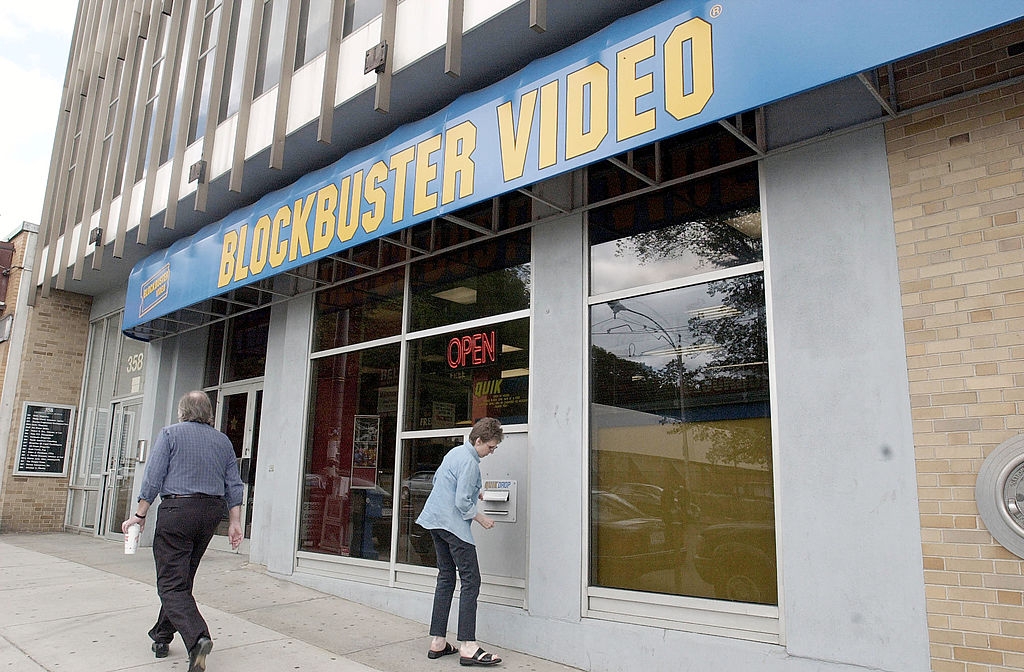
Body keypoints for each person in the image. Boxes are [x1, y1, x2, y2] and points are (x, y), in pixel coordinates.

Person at [122, 391, 244, 672]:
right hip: (210, 513)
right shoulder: (223, 440)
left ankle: (198, 637)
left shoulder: (170, 434)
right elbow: (233, 484)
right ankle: (162, 636)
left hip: (178, 511)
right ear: (208, 413)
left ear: (182, 411)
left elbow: (153, 476)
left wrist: (140, 515)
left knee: (170, 583)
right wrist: (235, 521)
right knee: (182, 577)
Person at [416, 417, 504, 667]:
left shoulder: (454, 453)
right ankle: (468, 645)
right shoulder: (470, 463)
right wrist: (481, 518)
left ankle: (438, 642)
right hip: (453, 526)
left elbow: (440, 483)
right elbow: (462, 503)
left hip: (434, 521)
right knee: (471, 580)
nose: (492, 451)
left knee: (446, 578)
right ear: (478, 441)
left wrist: (475, 491)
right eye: (490, 447)